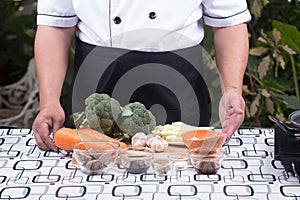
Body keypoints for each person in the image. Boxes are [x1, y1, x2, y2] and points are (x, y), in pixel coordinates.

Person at [33, 0, 251, 152]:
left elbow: (229, 22)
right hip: (96, 84)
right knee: (91, 174)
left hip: (177, 84)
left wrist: (232, 88)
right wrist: (49, 102)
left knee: (180, 179)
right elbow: (55, 24)